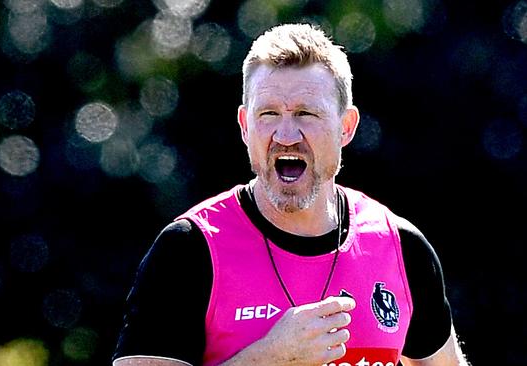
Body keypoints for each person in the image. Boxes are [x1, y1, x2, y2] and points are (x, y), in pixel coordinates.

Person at [112, 23, 470, 366]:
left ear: (346, 127)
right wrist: (270, 358)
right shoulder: (189, 250)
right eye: (268, 114)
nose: (286, 134)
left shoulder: (400, 247)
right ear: (245, 126)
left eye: (305, 113)